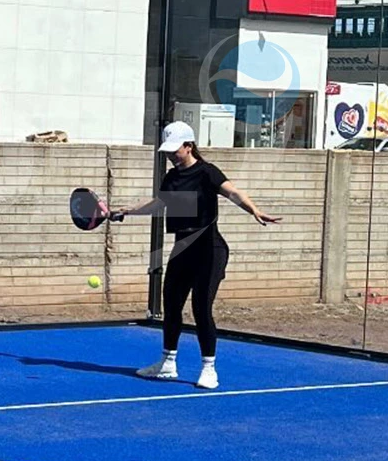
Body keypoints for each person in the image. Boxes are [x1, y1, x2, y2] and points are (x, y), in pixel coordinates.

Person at [112, 121, 280, 390]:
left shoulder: (206, 172)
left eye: (174, 149)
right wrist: (127, 210)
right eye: (166, 150)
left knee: (201, 308)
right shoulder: (171, 177)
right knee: (172, 306)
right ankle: (167, 364)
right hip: (182, 247)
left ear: (188, 146)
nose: (169, 155)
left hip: (209, 248)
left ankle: (209, 368)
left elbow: (232, 191)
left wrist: (254, 210)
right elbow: (160, 204)